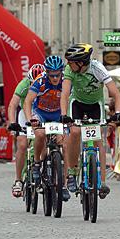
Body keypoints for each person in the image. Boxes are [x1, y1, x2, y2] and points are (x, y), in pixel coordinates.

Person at [60, 43, 120, 199]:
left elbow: (116, 93)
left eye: (71, 61)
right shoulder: (69, 70)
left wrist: (118, 113)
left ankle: (101, 183)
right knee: (74, 131)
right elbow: (65, 94)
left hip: (95, 105)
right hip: (77, 104)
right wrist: (63, 114)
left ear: (81, 62)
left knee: (97, 141)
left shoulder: (97, 68)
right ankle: (73, 173)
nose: (68, 64)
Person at [24, 56, 70, 201]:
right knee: (40, 135)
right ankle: (37, 163)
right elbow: (28, 101)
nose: (55, 78)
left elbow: (73, 99)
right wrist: (29, 119)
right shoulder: (41, 81)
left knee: (65, 143)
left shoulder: (66, 81)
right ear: (47, 73)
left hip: (57, 114)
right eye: (52, 75)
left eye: (58, 74)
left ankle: (64, 183)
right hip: (40, 113)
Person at [7, 63, 45, 198]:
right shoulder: (23, 84)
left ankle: (45, 171)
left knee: (45, 138)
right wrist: (12, 122)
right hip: (25, 112)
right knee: (22, 144)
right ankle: (18, 180)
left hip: (41, 112)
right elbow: (12, 105)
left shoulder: (48, 81)